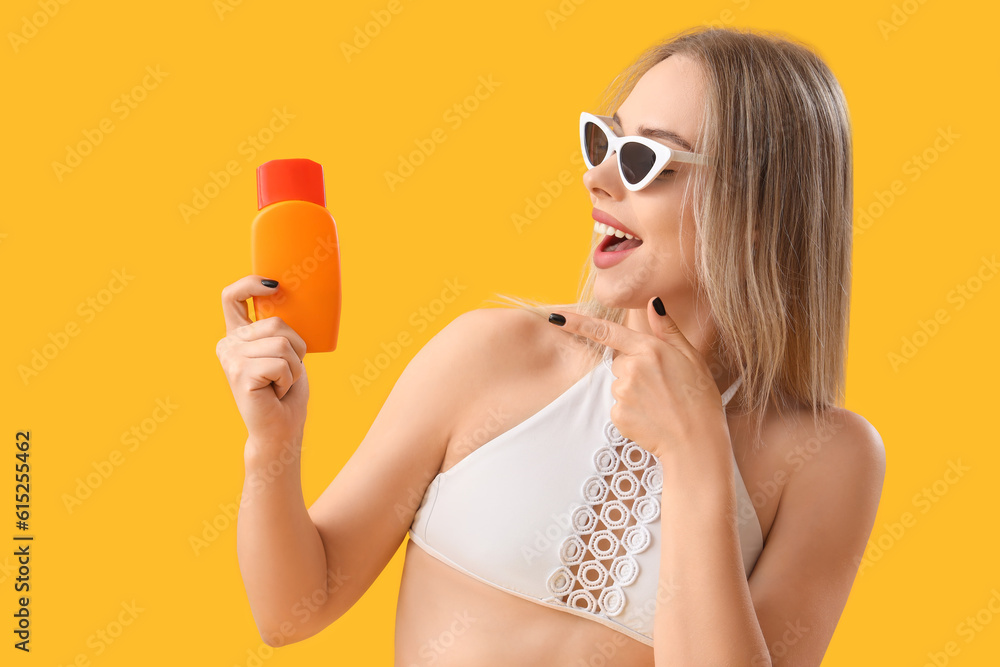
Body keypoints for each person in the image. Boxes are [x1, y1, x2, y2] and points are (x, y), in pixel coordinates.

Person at [216, 25, 885, 666]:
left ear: (760, 213)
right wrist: (271, 446)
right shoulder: (491, 354)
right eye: (603, 143)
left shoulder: (828, 459)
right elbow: (292, 612)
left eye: (644, 158)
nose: (598, 178)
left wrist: (695, 450)